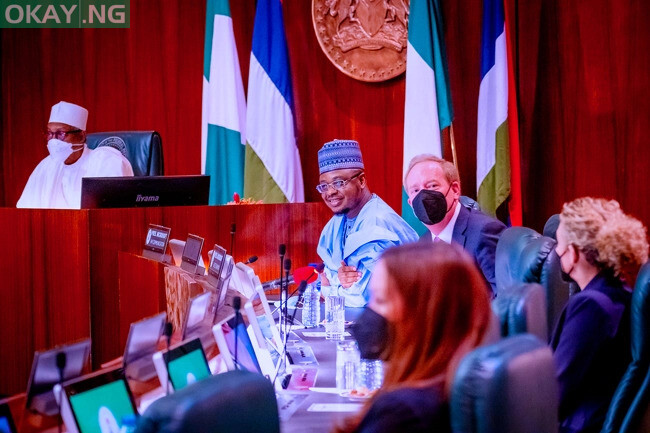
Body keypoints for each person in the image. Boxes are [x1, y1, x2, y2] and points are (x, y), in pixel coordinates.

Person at [340, 242, 493, 433]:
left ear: (421, 315)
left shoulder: (402, 413)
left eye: (380, 300)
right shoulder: (449, 388)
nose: (370, 313)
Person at [550, 197, 648, 433]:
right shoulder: (620, 291)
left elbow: (554, 392)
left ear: (572, 253)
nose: (555, 251)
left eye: (558, 244)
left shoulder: (590, 307)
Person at [316, 139, 418, 307]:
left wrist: (329, 289)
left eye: (339, 183)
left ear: (362, 180)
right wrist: (337, 282)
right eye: (324, 186)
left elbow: (362, 298)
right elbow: (326, 276)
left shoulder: (377, 223)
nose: (330, 192)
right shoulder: (337, 222)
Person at [404, 154, 506, 294]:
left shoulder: (484, 232)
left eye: (432, 186)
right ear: (410, 203)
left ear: (455, 190)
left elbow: (505, 300)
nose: (423, 196)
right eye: (415, 190)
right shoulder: (423, 244)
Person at [17, 101, 133, 209]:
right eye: (49, 133)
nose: (53, 140)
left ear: (82, 136)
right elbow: (25, 211)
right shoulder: (46, 166)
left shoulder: (104, 161)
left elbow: (112, 212)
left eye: (61, 133)